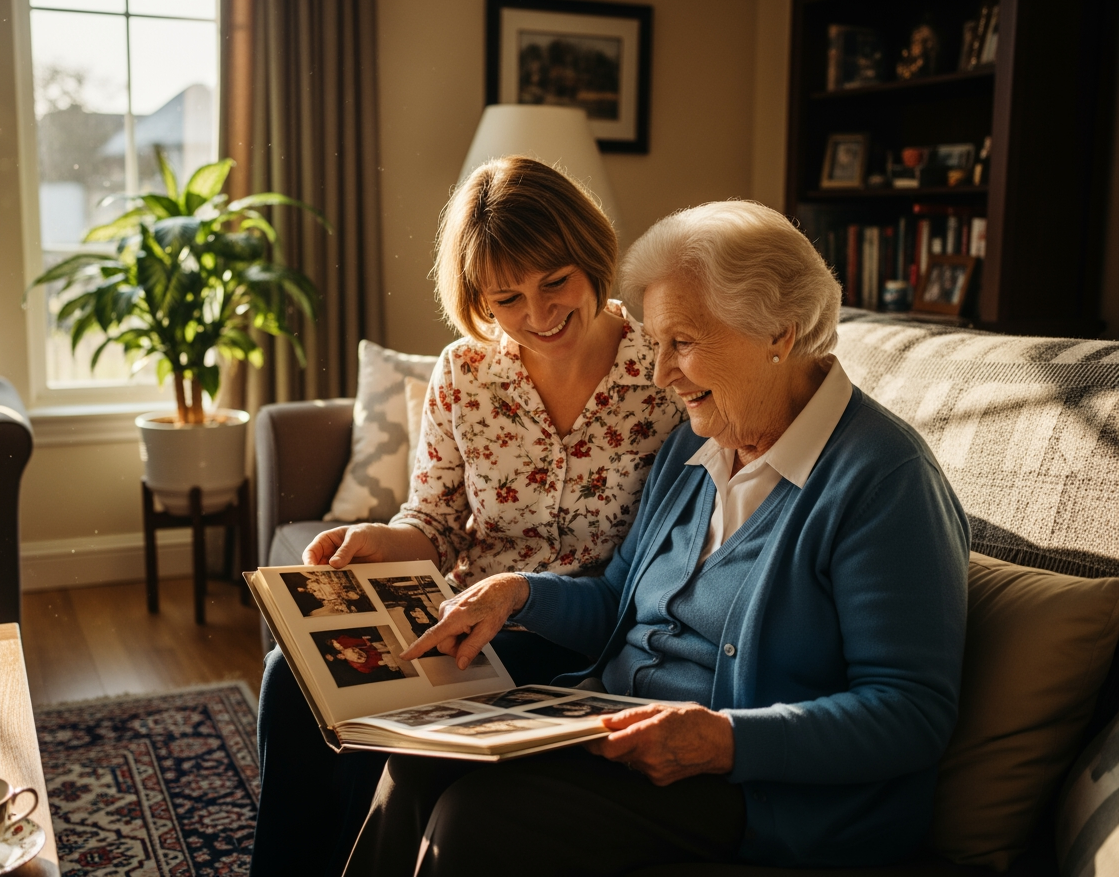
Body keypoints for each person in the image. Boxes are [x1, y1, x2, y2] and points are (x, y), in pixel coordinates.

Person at [342, 200, 970, 877]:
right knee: (417, 762)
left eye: (683, 343)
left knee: (478, 820)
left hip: (753, 794)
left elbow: (912, 711)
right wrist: (518, 595)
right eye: (659, 341)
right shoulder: (693, 451)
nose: (660, 372)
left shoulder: (883, 479)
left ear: (779, 334)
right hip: (615, 731)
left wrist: (728, 741)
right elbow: (618, 604)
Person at [249, 156, 687, 877]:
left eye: (556, 283)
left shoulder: (662, 374)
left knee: (385, 711)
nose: (539, 316)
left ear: (591, 257)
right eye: (507, 298)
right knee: (288, 678)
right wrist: (381, 540)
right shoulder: (465, 373)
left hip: (581, 634)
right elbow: (436, 521)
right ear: (478, 298)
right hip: (463, 621)